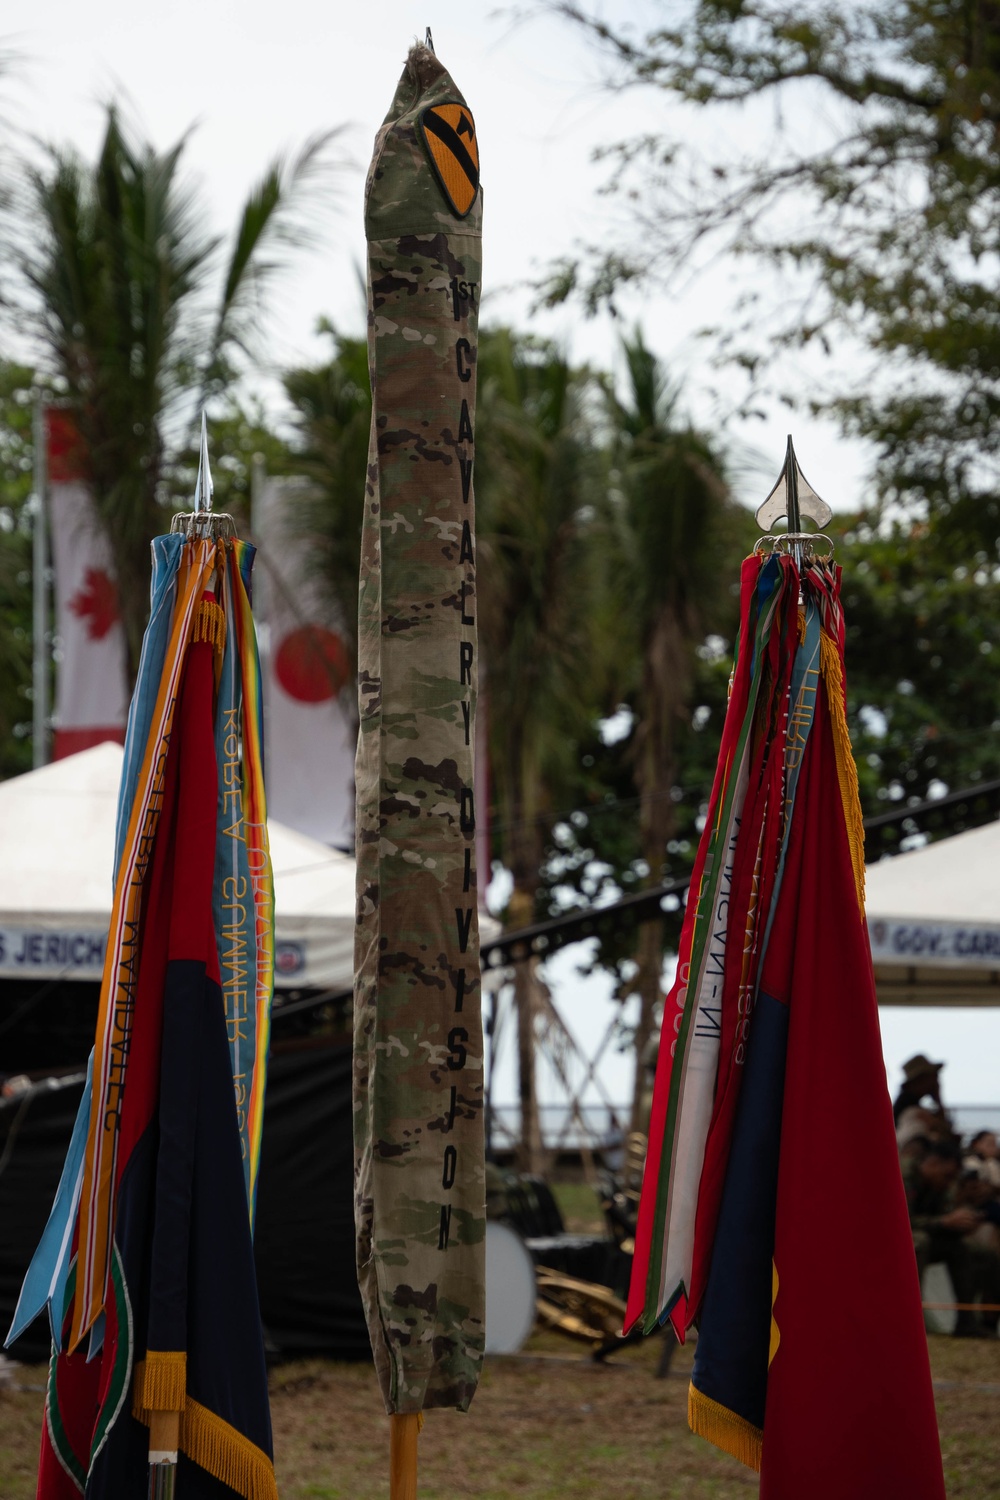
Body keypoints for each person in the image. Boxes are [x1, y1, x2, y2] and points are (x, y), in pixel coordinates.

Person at [902, 1138, 1000, 1337]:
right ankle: (909, 1320)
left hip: (929, 1237)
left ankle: (969, 1321)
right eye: (947, 1176)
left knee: (975, 1251)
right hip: (900, 1242)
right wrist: (944, 1222)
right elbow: (899, 1222)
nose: (948, 1182)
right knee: (919, 1241)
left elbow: (946, 1213)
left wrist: (963, 1218)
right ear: (933, 1164)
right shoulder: (903, 1175)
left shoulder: (940, 1185)